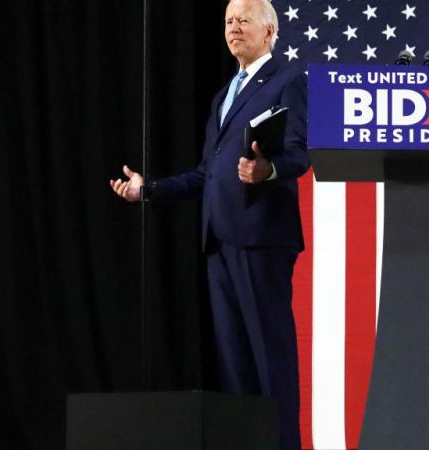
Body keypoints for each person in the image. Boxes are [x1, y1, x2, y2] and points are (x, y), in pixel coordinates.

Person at [109, 0, 307, 448]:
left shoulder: (289, 80)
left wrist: (266, 170)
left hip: (261, 240)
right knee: (234, 365)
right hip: (218, 241)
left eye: (244, 20)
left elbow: (299, 153)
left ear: (270, 31)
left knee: (269, 361)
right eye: (228, 21)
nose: (233, 28)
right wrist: (149, 189)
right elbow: (206, 174)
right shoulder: (224, 95)